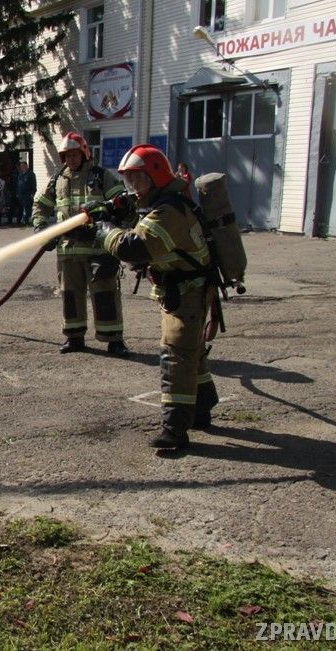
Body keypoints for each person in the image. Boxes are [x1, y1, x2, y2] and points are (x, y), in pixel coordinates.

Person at [90, 144, 218, 450]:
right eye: (129, 179)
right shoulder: (159, 204)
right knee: (191, 350)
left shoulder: (170, 211)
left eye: (139, 179)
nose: (133, 187)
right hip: (179, 289)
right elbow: (139, 224)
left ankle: (174, 429)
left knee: (176, 353)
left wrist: (104, 230)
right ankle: (203, 404)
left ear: (157, 178)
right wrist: (111, 210)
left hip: (187, 292)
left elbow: (134, 247)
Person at [33, 132, 128, 356]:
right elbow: (41, 206)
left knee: (105, 293)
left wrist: (110, 211)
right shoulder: (58, 179)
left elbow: (121, 201)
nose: (71, 160)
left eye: (75, 155)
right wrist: (41, 227)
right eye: (67, 156)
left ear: (84, 153)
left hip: (98, 249)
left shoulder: (100, 176)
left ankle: (114, 339)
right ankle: (74, 337)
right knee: (70, 295)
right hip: (68, 251)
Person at [16, 161, 36, 227]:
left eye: (23, 166)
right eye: (21, 166)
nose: (22, 167)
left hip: (28, 194)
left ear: (26, 166)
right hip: (20, 194)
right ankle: (20, 222)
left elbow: (34, 184)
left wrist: (33, 193)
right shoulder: (20, 174)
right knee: (20, 208)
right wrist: (17, 193)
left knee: (28, 208)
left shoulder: (31, 174)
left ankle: (28, 222)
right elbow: (18, 184)